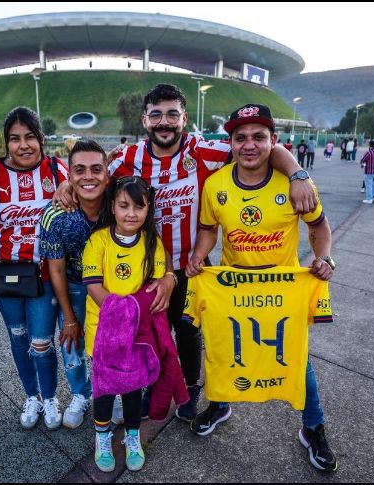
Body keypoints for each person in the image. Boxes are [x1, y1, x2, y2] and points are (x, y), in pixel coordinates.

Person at [55, 83, 316, 422]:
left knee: (189, 329)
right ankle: (149, 385)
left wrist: (297, 173)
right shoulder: (126, 159)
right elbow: (93, 175)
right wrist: (67, 184)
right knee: (147, 330)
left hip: (192, 264)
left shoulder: (204, 150)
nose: (164, 122)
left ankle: (190, 387)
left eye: (172, 115)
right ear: (144, 120)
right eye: (156, 115)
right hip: (144, 267)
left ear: (184, 118)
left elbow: (262, 149)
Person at [185, 103, 338, 472]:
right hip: (233, 290)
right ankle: (220, 405)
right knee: (222, 352)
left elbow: (319, 227)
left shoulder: (295, 184)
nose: (249, 144)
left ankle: (313, 427)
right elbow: (207, 229)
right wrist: (198, 255)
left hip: (282, 293)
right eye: (241, 138)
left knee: (297, 360)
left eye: (258, 136)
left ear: (274, 140)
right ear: (231, 143)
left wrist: (325, 258)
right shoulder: (217, 185)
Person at [0, 107, 68, 431]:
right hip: (5, 275)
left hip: (44, 275)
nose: (23, 145)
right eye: (15, 138)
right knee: (18, 338)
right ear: (6, 142)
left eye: (30, 137)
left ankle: (50, 398)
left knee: (41, 343)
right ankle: (31, 396)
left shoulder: (57, 170)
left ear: (41, 138)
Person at [82, 175, 167, 473]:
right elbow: (94, 286)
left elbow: (154, 286)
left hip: (136, 333)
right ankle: (102, 438)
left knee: (132, 389)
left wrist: (133, 317)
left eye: (138, 207)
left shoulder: (152, 243)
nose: (131, 213)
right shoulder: (98, 241)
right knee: (104, 390)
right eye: (124, 205)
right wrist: (122, 314)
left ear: (148, 209)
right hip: (102, 331)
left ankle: (132, 437)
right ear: (112, 207)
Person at [38, 141, 104, 429]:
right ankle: (80, 393)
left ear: (108, 173)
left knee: (110, 342)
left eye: (96, 169)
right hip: (74, 285)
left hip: (111, 287)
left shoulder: (118, 203)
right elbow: (56, 269)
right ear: (70, 174)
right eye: (79, 170)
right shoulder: (55, 215)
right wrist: (68, 317)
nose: (88, 176)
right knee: (71, 342)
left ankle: (111, 391)